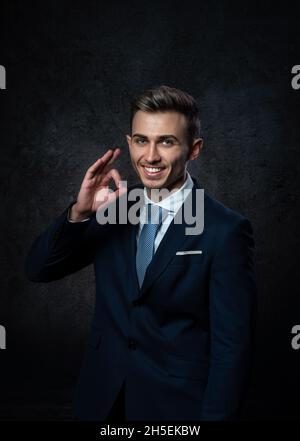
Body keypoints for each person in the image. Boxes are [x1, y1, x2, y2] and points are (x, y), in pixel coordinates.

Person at [25, 85, 257, 421]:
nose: (149, 156)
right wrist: (80, 212)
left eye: (166, 141)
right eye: (141, 140)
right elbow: (39, 269)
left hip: (176, 410)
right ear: (130, 141)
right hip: (101, 401)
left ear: (194, 149)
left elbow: (232, 349)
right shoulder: (113, 206)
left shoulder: (225, 230)